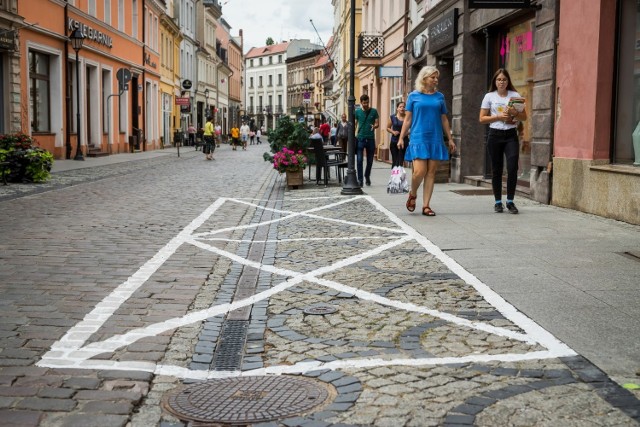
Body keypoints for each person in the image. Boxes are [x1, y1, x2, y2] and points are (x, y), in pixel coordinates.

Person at [398, 65, 456, 216]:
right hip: (418, 137)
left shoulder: (440, 97)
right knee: (419, 171)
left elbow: (444, 119)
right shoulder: (413, 96)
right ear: (424, 78)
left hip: (435, 138)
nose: (436, 80)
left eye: (437, 77)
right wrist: (401, 137)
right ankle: (413, 192)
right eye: (433, 77)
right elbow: (408, 119)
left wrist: (450, 139)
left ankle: (426, 206)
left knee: (431, 173)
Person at [479, 68, 526, 214]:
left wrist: (514, 113)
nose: (501, 82)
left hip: (511, 135)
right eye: (499, 79)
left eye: (504, 80)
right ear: (495, 81)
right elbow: (482, 118)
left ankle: (510, 201)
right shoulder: (489, 96)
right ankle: (498, 202)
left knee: (512, 168)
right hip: (495, 135)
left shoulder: (515, 95)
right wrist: (499, 117)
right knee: (497, 170)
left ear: (508, 82)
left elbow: (523, 117)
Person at [354, 94, 379, 186]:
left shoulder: (374, 111)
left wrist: (374, 126)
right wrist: (353, 135)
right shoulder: (357, 112)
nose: (366, 104)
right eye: (364, 103)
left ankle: (367, 176)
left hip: (371, 139)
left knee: (370, 161)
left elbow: (377, 123)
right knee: (359, 160)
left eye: (367, 102)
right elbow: (355, 124)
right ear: (361, 103)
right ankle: (360, 180)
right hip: (360, 138)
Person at [387, 101, 408, 168]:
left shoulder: (407, 118)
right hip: (394, 141)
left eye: (404, 107)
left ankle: (399, 177)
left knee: (400, 161)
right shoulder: (392, 117)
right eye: (400, 107)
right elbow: (388, 128)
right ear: (397, 108)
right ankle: (394, 176)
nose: (402, 108)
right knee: (395, 161)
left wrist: (405, 133)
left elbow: (412, 129)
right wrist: (393, 132)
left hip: (404, 141)